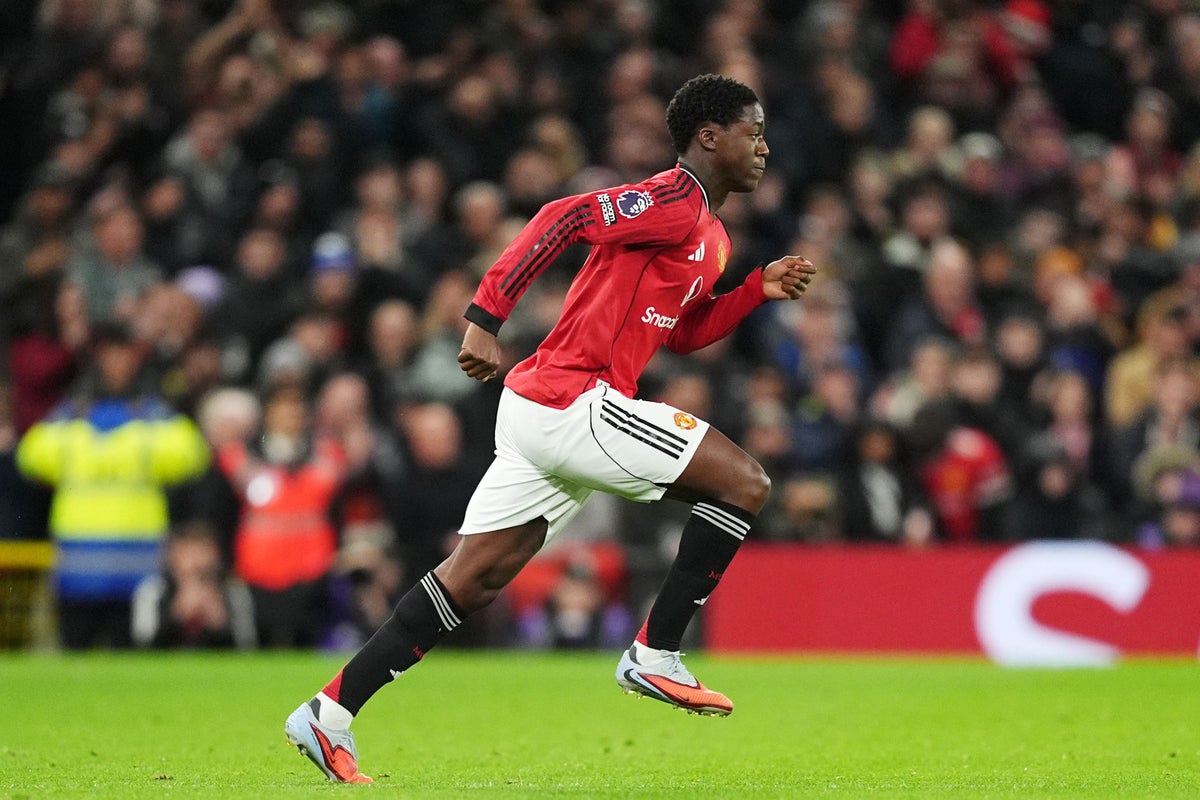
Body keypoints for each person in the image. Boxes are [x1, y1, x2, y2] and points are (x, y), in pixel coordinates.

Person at [284, 74, 817, 783]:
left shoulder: (713, 237)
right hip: (573, 399)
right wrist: (485, 315)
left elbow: (682, 333)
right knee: (745, 483)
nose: (765, 148)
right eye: (754, 133)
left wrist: (753, 291)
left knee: (473, 579)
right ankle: (656, 652)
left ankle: (329, 713)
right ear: (709, 137)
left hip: (545, 411)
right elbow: (562, 216)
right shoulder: (670, 199)